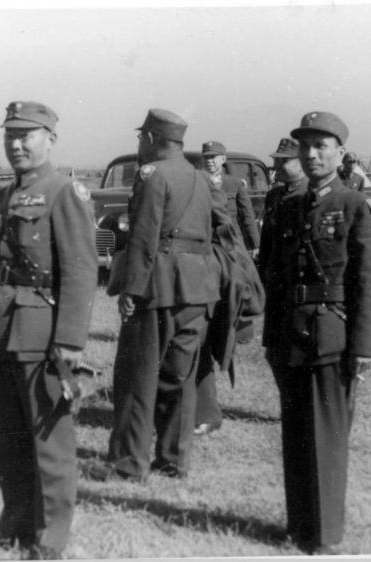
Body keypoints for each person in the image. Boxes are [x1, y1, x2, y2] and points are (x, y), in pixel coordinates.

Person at [0, 102, 97, 559]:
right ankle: (14, 526)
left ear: (50, 139)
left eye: (27, 135)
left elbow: (81, 271)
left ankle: (49, 539)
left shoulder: (66, 192)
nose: (17, 144)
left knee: (49, 445)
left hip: (42, 336)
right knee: (8, 442)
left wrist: (70, 341)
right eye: (10, 136)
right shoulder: (1, 198)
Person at [263, 111, 371, 555]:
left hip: (332, 336)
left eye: (321, 146)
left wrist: (364, 348)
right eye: (305, 146)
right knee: (295, 433)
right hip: (291, 334)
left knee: (326, 438)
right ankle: (298, 526)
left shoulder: (358, 207)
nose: (311, 154)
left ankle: (326, 533)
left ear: (340, 153)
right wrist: (270, 336)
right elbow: (274, 273)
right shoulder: (289, 205)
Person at [87, 109, 221, 482]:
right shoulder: (199, 177)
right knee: (180, 375)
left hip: (158, 287)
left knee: (136, 376)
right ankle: (174, 459)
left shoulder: (152, 175)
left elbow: (144, 237)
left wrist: (131, 288)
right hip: (197, 286)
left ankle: (128, 463)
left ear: (149, 139)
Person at [257, 138, 308, 283]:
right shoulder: (274, 194)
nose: (276, 166)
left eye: (283, 161)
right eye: (275, 161)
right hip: (273, 275)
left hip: (298, 278)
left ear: (301, 164)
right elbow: (266, 242)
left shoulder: (309, 194)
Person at [202, 141, 261, 253]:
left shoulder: (235, 183)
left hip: (232, 240)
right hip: (207, 241)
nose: (209, 161)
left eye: (213, 157)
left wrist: (255, 244)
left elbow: (246, 214)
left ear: (223, 159)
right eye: (206, 157)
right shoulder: (197, 183)